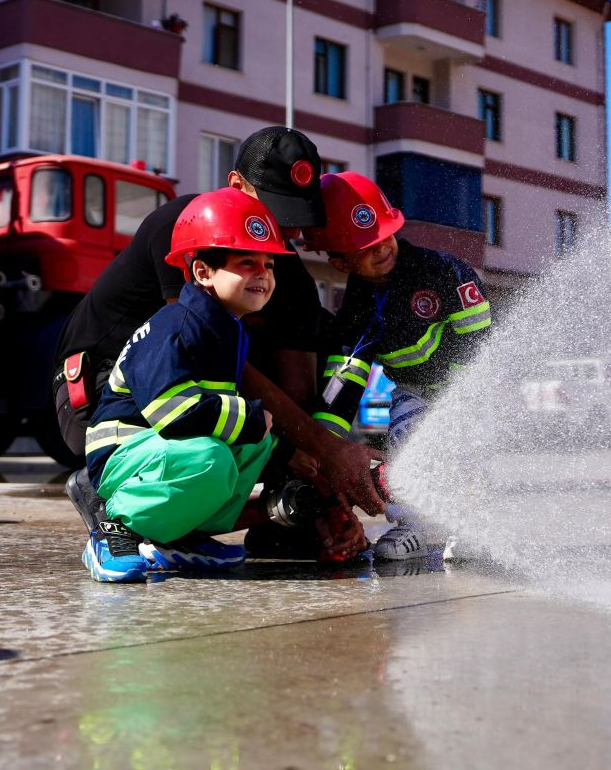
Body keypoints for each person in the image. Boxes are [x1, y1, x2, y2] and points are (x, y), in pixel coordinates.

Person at [53, 127, 383, 576]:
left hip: (192, 402)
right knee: (216, 447)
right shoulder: (189, 226)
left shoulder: (284, 272)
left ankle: (271, 517)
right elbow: (201, 356)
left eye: (294, 218)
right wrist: (324, 449)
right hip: (109, 402)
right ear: (235, 186)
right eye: (273, 211)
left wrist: (321, 491)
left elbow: (298, 393)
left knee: (316, 345)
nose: (281, 233)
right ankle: (115, 509)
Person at [79, 188, 294, 581]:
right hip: (122, 454)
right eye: (247, 262)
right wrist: (250, 416)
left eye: (269, 264)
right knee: (213, 457)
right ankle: (114, 528)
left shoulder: (224, 329)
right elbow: (173, 412)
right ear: (202, 272)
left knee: (256, 442)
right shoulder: (177, 326)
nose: (263, 273)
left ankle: (180, 537)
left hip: (158, 453)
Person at [304, 172, 493, 561]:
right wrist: (325, 440)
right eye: (365, 246)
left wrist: (457, 399)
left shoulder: (443, 272)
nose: (381, 249)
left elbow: (479, 339)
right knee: (407, 452)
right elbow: (348, 373)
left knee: (465, 458)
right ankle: (415, 525)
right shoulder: (357, 304)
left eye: (383, 236)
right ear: (340, 262)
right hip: (411, 390)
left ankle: (472, 529)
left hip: (468, 387)